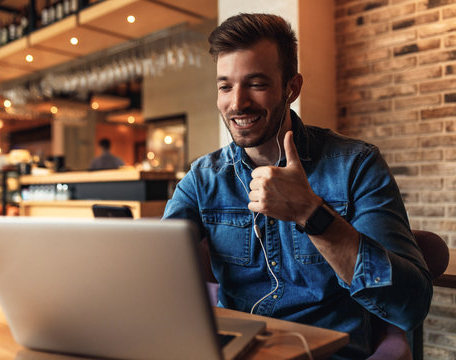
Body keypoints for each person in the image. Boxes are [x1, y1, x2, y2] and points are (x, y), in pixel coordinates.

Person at [162, 13, 432, 359]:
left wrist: (311, 213)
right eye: (225, 86)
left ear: (292, 87)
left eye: (256, 84)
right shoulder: (203, 177)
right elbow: (158, 274)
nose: (237, 102)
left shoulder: (356, 165)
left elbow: (409, 305)